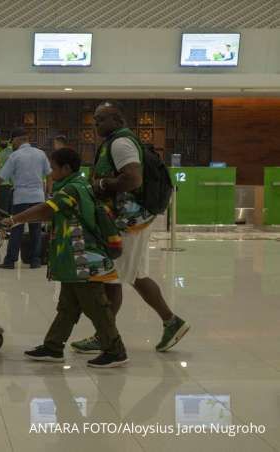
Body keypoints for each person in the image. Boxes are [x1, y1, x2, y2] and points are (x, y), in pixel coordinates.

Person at [70, 101, 190, 354]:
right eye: (95, 118)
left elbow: (133, 178)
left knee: (112, 277)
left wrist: (101, 186)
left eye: (101, 119)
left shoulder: (121, 143)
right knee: (135, 275)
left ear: (117, 120)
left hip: (130, 221)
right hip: (132, 219)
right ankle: (172, 322)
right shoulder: (115, 141)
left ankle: (106, 336)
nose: (96, 123)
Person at [8, 148, 128, 368]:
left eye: (53, 168)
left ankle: (116, 350)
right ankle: (53, 347)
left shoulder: (73, 189)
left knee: (96, 307)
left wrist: (15, 219)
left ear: (66, 168)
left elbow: (47, 210)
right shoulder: (78, 185)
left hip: (84, 260)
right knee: (68, 307)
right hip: (75, 261)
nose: (50, 172)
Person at [0, 128, 51, 269]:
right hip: (38, 197)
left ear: (19, 140)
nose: (12, 145)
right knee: (36, 230)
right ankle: (35, 261)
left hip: (21, 198)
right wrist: (48, 194)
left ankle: (10, 261)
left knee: (16, 229)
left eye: (13, 142)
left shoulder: (15, 156)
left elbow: (1, 177)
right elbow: (50, 175)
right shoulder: (41, 154)